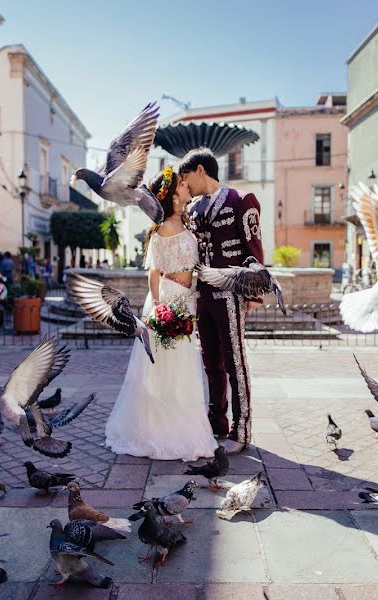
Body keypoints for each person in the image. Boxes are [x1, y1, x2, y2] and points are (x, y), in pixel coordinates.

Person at [105, 166, 217, 461]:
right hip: (168, 299)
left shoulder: (188, 221)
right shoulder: (160, 231)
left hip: (186, 298)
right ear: (171, 196)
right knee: (159, 369)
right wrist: (158, 306)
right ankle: (155, 430)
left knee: (183, 366)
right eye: (182, 184)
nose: (186, 186)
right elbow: (154, 271)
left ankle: (183, 427)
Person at [181, 148, 264, 454]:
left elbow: (254, 248)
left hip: (230, 294)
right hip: (202, 296)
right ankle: (217, 422)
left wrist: (253, 292)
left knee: (235, 362)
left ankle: (241, 430)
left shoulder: (241, 200)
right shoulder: (193, 209)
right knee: (210, 363)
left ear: (201, 171)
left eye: (187, 177)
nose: (185, 184)